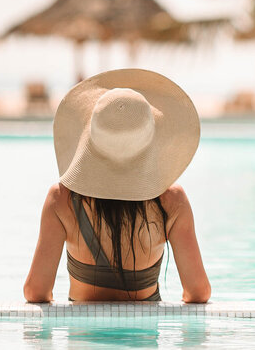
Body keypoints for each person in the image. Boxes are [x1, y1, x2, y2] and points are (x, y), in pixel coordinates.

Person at [23, 69, 211, 303]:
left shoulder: (61, 200)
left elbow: (36, 292)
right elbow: (198, 292)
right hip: (143, 337)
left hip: (84, 339)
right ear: (150, 139)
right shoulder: (171, 202)